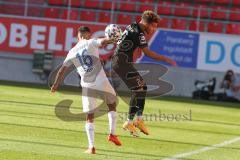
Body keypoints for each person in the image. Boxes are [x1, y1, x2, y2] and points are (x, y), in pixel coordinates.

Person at [51, 26, 121, 154]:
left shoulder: (72, 51)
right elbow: (104, 41)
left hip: (87, 85)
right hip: (101, 81)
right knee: (112, 105)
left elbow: (62, 70)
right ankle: (112, 134)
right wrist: (115, 38)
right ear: (88, 34)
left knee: (90, 116)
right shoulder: (91, 42)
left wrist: (56, 84)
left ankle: (91, 147)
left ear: (79, 35)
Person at [112, 10, 177, 137]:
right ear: (147, 24)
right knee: (138, 89)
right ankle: (130, 121)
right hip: (121, 63)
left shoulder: (132, 26)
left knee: (142, 88)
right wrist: (165, 59)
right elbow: (147, 53)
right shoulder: (138, 33)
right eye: (153, 26)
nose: (153, 30)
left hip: (121, 62)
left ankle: (138, 120)